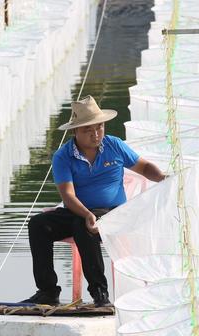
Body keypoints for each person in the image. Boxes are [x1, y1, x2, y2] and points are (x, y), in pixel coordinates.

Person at [22, 95, 166, 307]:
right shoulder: (63, 156)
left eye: (99, 127)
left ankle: (99, 293)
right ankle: (47, 291)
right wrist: (87, 214)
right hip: (78, 209)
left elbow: (143, 167)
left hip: (112, 212)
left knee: (84, 226)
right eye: (88, 130)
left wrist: (162, 178)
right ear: (75, 132)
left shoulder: (114, 146)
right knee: (38, 225)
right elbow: (68, 196)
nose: (95, 134)